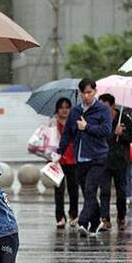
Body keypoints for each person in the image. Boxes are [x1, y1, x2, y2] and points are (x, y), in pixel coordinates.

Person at [53, 78, 112, 236]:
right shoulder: (76, 111)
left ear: (95, 92)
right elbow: (67, 134)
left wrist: (87, 127)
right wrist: (59, 152)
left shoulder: (102, 109)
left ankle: (83, 221)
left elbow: (106, 131)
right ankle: (96, 222)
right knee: (88, 193)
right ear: (79, 94)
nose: (86, 96)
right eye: (83, 93)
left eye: (89, 92)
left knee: (90, 189)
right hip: (80, 157)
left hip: (98, 156)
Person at [97, 93, 132, 232]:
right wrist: (114, 133)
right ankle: (105, 218)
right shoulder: (100, 120)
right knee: (105, 191)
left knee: (121, 191)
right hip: (104, 159)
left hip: (121, 160)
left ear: (112, 105)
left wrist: (122, 134)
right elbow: (99, 138)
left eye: (105, 106)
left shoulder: (124, 118)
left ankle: (121, 217)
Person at [51, 97, 79, 229]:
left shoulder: (75, 121)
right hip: (58, 160)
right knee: (59, 190)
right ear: (57, 109)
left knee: (74, 189)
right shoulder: (52, 123)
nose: (64, 110)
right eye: (61, 107)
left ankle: (74, 215)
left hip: (73, 159)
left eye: (67, 107)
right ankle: (60, 217)